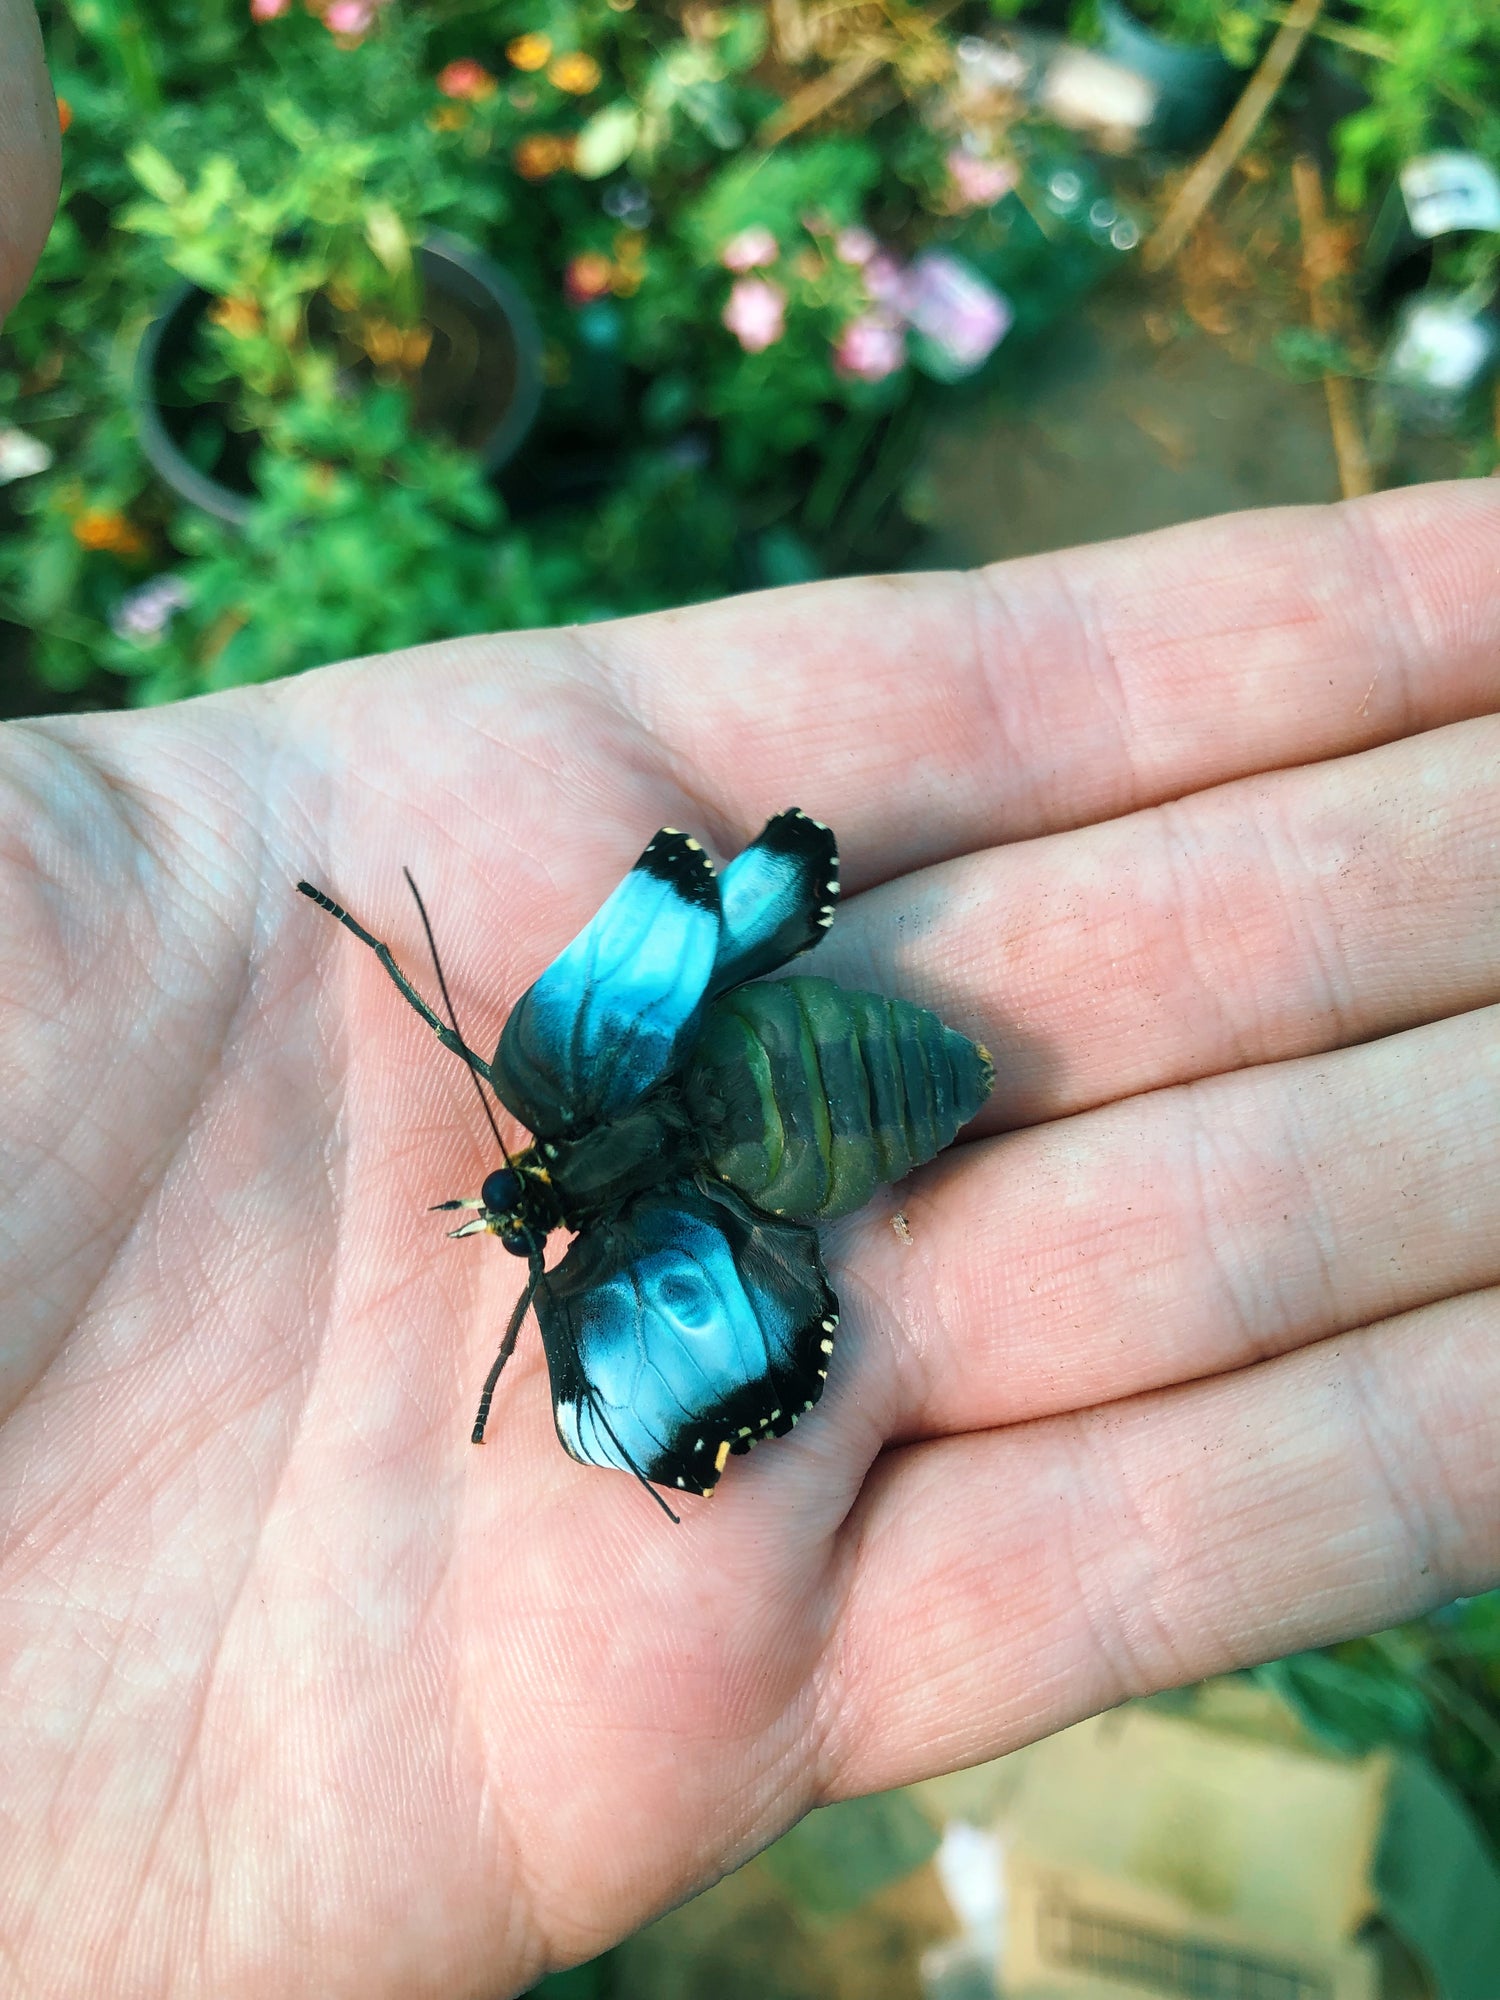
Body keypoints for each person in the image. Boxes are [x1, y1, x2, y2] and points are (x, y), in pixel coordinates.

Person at [2, 6, 1497, 1992]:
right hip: (792, 1068)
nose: (506, 1216)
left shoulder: (553, 1143)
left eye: (517, 1220)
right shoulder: (550, 1074)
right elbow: (637, 1008)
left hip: (815, 1109)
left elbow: (640, 1357)